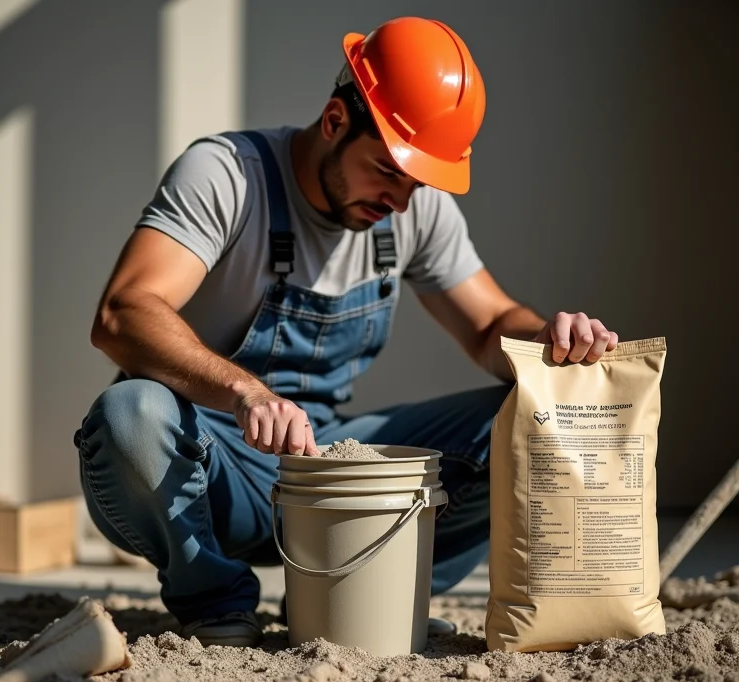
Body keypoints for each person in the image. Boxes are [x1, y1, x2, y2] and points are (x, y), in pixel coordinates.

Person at [74, 17, 618, 647]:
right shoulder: (227, 176)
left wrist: (548, 343)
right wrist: (246, 393)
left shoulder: (411, 209)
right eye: (388, 171)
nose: (401, 201)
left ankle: (385, 587)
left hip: (324, 461)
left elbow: (491, 324)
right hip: (208, 465)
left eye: (417, 183)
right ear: (335, 120)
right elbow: (123, 310)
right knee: (129, 412)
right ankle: (215, 600)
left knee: (531, 412)